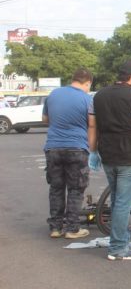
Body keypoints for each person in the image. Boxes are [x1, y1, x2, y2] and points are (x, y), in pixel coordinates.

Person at [90, 60, 131, 261]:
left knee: (118, 199)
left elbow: (92, 126)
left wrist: (93, 151)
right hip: (129, 155)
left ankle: (123, 240)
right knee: (123, 203)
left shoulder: (98, 96)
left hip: (107, 154)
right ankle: (118, 248)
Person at [42, 68, 95, 239]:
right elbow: (92, 123)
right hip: (77, 148)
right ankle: (72, 229)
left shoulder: (53, 94)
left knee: (56, 188)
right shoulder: (87, 99)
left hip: (53, 148)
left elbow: (45, 119)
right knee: (76, 189)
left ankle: (55, 228)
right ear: (87, 83)